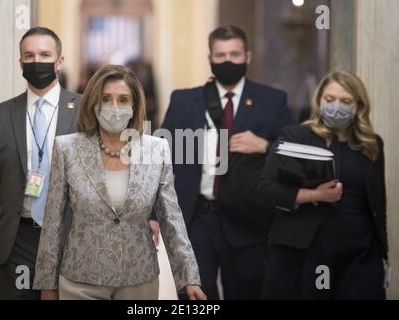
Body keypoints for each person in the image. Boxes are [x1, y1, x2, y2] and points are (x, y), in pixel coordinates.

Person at [32, 65, 206, 300]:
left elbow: (171, 218)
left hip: (139, 279)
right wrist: (47, 284)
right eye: (106, 99)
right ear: (93, 103)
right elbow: (53, 222)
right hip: (80, 279)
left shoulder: (156, 149)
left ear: (134, 106)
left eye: (123, 99)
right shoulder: (67, 148)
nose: (114, 107)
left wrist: (189, 277)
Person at [158, 25, 293, 299]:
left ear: (248, 56)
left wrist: (266, 146)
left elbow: (294, 152)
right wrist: (152, 215)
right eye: (221, 56)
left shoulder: (272, 100)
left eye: (234, 54)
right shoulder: (184, 101)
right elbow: (160, 158)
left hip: (248, 217)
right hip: (196, 217)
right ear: (210, 58)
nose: (228, 61)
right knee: (194, 296)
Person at [0, 27, 82, 299]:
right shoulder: (1, 115)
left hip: (69, 235)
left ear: (59, 61)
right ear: (20, 63)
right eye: (29, 56)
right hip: (17, 238)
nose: (36, 61)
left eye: (44, 54)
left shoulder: (84, 110)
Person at [258, 71, 388, 299]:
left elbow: (378, 205)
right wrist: (314, 195)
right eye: (329, 100)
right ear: (319, 101)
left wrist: (384, 255)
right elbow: (266, 190)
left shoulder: (371, 145)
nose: (336, 106)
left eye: (345, 101)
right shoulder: (296, 136)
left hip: (361, 255)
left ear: (358, 106)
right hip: (308, 253)